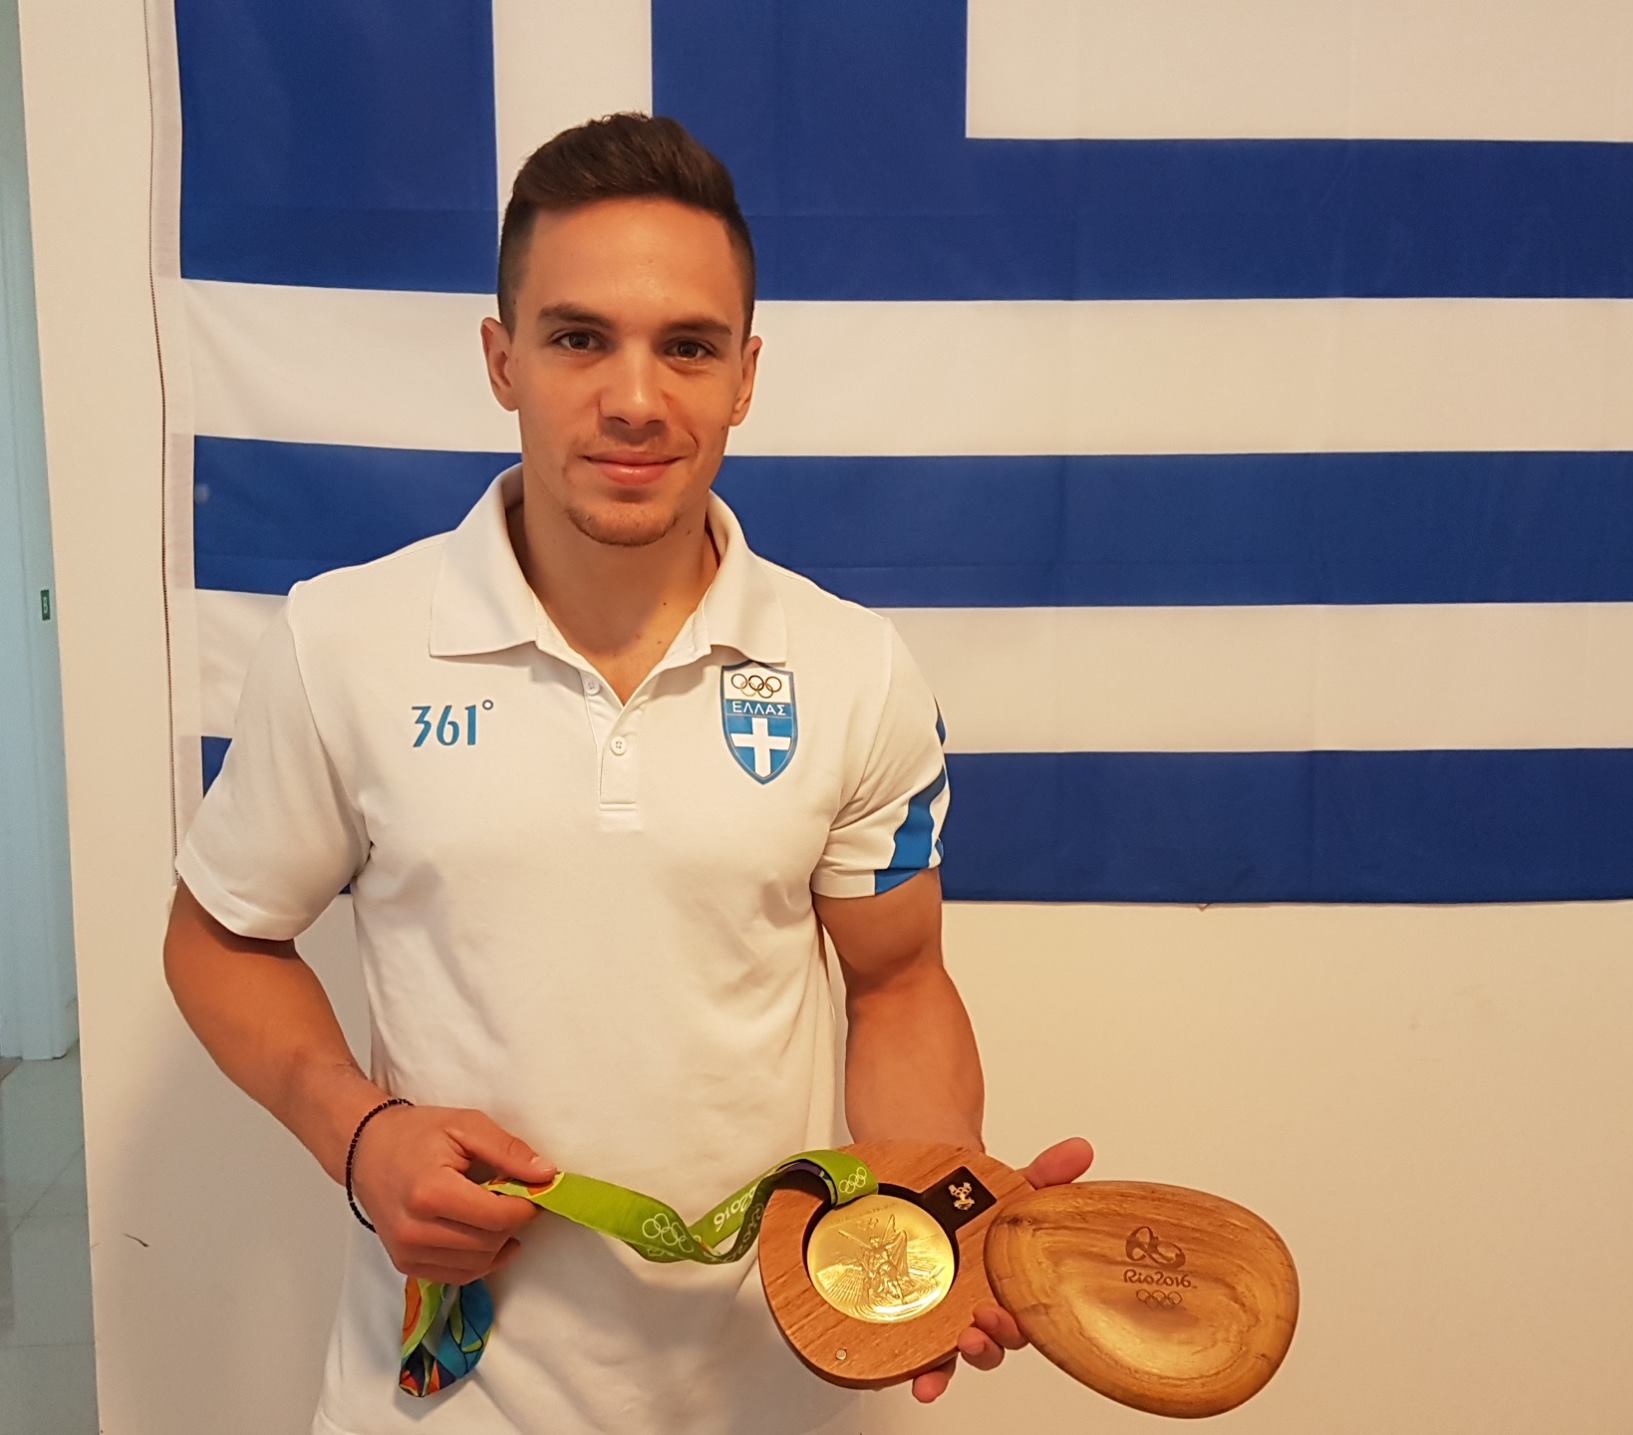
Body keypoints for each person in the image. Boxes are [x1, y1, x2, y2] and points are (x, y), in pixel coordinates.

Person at [162, 112, 1090, 1435]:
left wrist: (937, 1211)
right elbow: (218, 937)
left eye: (689, 347)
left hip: (775, 1390)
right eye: (579, 338)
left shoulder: (854, 668)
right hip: (441, 1403)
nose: (638, 400)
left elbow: (896, 985)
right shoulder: (341, 643)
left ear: (746, 375)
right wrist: (356, 1137)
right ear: (503, 358)